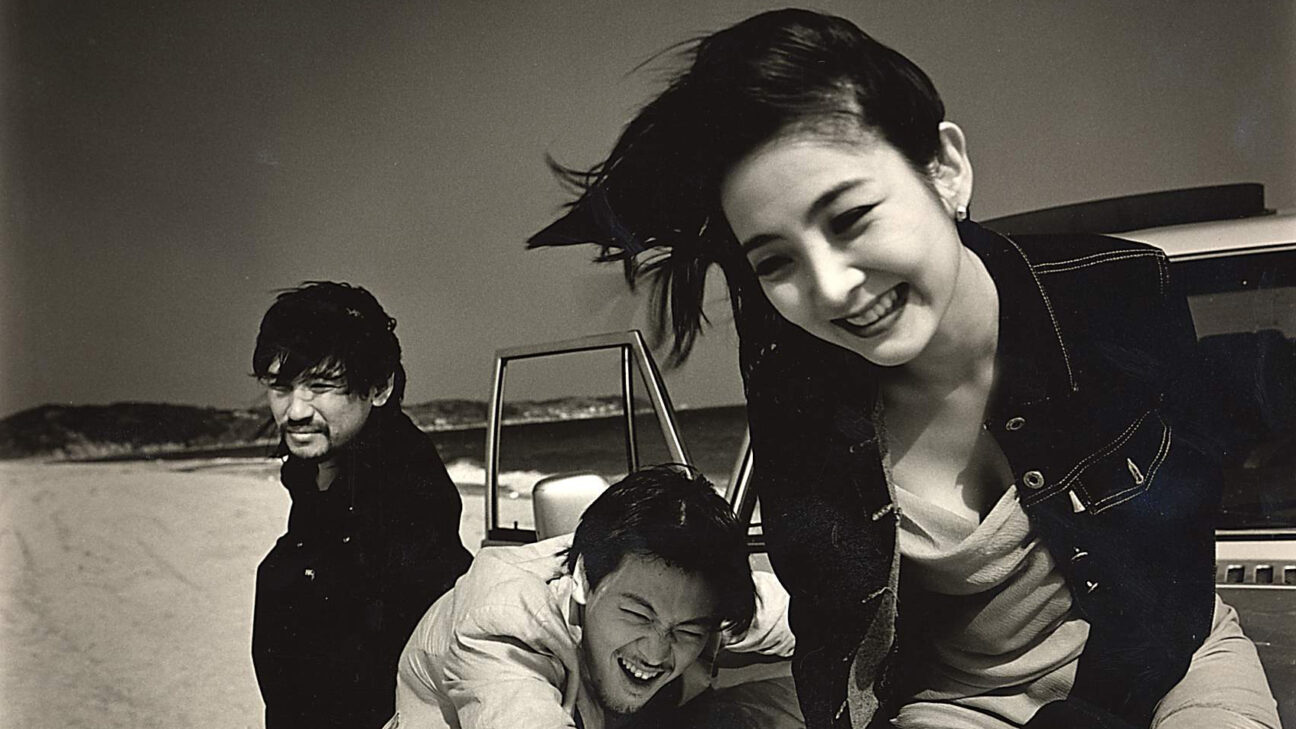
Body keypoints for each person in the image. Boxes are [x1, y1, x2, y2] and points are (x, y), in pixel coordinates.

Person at [527, 10, 1280, 729]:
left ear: (946, 169)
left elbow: (1226, 436)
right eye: (777, 261)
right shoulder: (804, 403)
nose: (830, 288)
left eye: (851, 218)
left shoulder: (1116, 298)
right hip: (964, 706)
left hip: (1171, 663)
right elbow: (831, 636)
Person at [386, 465, 800, 729]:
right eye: (638, 615)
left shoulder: (699, 595)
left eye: (687, 632)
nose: (656, 653)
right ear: (583, 579)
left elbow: (806, 617)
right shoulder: (504, 621)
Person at [250, 281, 473, 729]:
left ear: (380, 387)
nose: (296, 410)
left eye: (321, 386)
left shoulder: (407, 493)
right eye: (281, 387)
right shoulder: (317, 469)